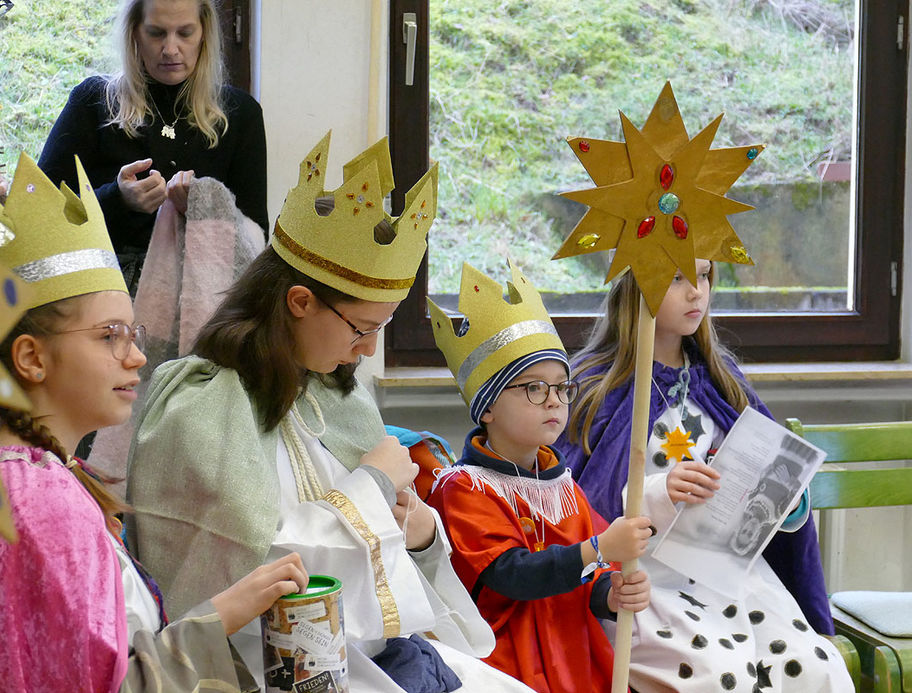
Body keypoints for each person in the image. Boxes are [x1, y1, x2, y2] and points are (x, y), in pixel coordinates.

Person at [126, 133, 537, 692]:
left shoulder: (336, 396)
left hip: (374, 648)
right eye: (362, 329)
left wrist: (419, 535)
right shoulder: (199, 402)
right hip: (270, 667)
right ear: (299, 302)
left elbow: (390, 565)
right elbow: (252, 571)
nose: (368, 351)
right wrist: (370, 486)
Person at [0, 153, 307, 692]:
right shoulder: (42, 503)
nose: (138, 357)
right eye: (109, 335)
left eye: (133, 334)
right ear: (31, 358)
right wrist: (227, 612)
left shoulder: (43, 475)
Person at [554, 258, 853, 692]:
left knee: (815, 667)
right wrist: (662, 492)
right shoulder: (595, 388)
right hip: (645, 583)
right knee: (718, 677)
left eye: (705, 274)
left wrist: (785, 498)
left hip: (733, 580)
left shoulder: (721, 380)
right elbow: (575, 509)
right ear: (638, 284)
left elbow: (773, 493)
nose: (697, 291)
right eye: (677, 277)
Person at [426, 261, 653, 693]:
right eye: (533, 388)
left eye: (561, 387)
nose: (553, 400)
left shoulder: (560, 483)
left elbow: (586, 578)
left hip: (572, 653)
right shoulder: (464, 489)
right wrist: (599, 548)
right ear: (487, 407)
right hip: (507, 662)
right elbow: (512, 575)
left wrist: (610, 595)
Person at [37, 0, 268, 291]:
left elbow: (257, 239)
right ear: (134, 33)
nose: (171, 49)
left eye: (185, 33)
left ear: (205, 34)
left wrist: (203, 209)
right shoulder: (93, 101)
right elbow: (40, 212)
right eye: (156, 33)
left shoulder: (240, 113)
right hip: (103, 290)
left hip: (205, 294)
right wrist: (117, 199)